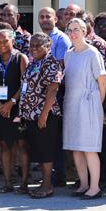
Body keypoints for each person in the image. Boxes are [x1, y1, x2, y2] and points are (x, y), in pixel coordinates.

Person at [63, 18, 106, 199]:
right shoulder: (69, 54)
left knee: (89, 147)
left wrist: (97, 104)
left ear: (84, 31)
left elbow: (102, 81)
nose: (72, 33)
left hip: (89, 104)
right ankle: (83, 184)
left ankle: (95, 187)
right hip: (72, 104)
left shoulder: (92, 53)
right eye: (70, 29)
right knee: (76, 147)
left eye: (76, 29)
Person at [20, 33, 63, 198]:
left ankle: (47, 185)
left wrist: (44, 115)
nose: (34, 48)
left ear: (48, 46)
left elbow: (53, 89)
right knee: (39, 150)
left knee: (46, 151)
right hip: (31, 114)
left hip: (45, 115)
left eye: (38, 45)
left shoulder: (51, 63)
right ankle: (43, 182)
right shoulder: (34, 62)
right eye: (31, 45)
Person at [0, 28, 29, 194]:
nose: (2, 44)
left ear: (12, 40)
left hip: (18, 107)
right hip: (1, 109)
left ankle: (24, 182)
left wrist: (12, 102)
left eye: (5, 40)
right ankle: (7, 182)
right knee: (5, 145)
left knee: (22, 144)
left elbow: (25, 83)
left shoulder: (20, 58)